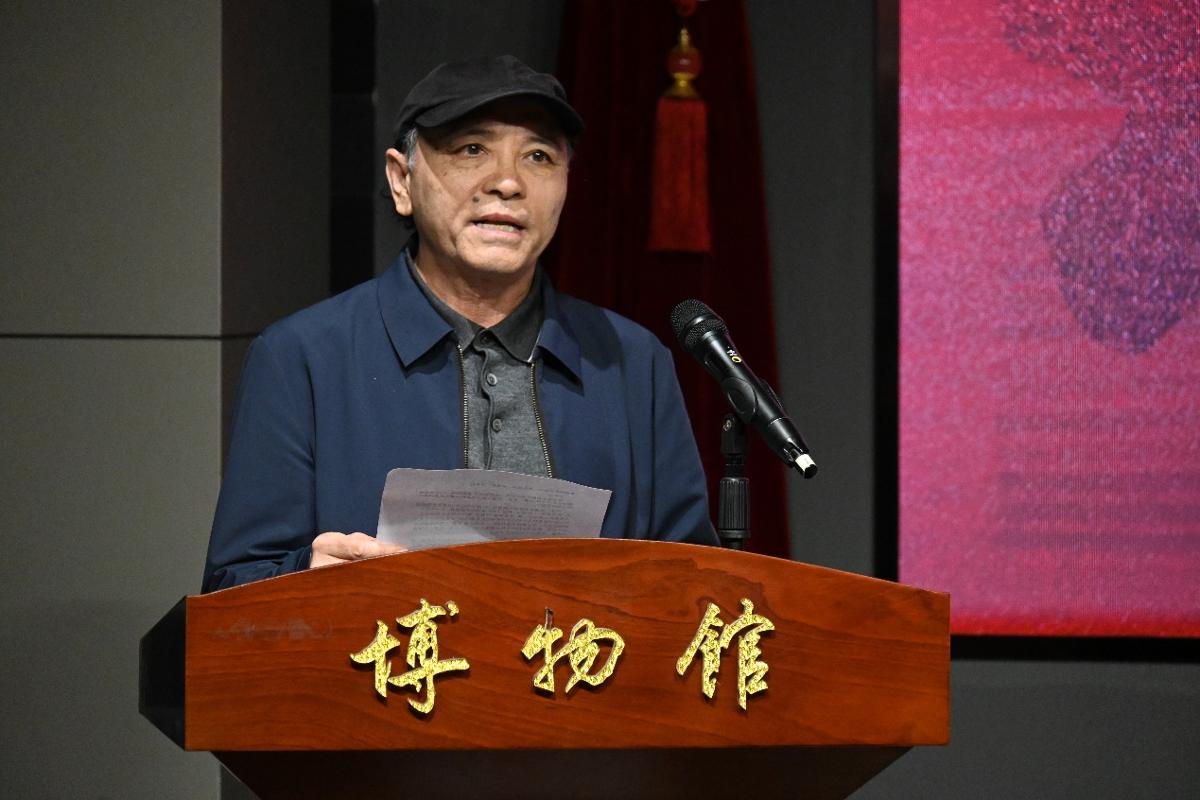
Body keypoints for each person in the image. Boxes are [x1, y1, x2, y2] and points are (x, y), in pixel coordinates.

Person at [202, 55, 718, 592]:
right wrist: (304, 577)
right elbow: (231, 588)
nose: (508, 182)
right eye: (472, 149)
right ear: (402, 181)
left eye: (538, 156)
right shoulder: (303, 357)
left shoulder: (630, 361)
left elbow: (692, 589)